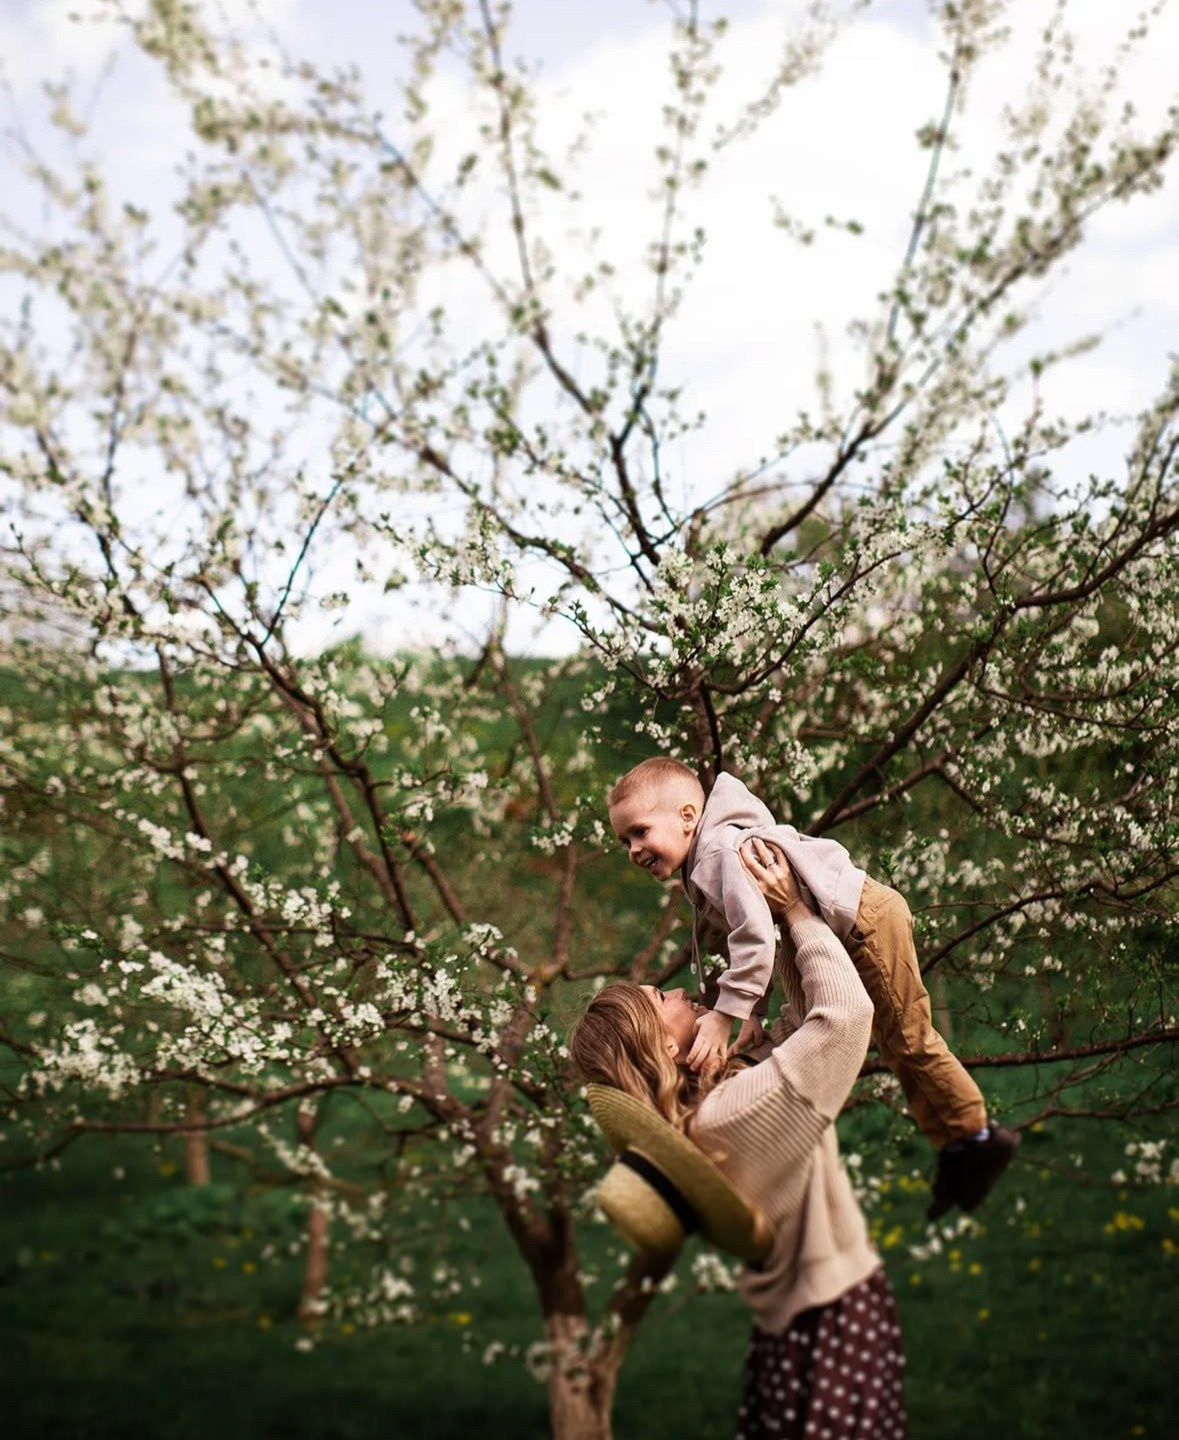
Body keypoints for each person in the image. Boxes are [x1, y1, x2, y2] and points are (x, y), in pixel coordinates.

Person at [570, 840, 907, 1440]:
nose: (675, 991)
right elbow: (845, 1018)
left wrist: (766, 946)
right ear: (663, 1049)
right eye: (660, 1000)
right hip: (830, 1320)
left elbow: (801, 1031)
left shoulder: (713, 1103)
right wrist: (798, 914)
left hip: (800, 1325)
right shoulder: (731, 1114)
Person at [606, 755, 1019, 1219]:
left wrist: (725, 1015)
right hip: (850, 928)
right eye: (624, 840)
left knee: (909, 1039)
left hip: (865, 922)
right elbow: (750, 933)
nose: (633, 849)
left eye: (640, 831)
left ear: (687, 817)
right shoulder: (704, 863)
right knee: (895, 1043)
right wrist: (753, 1015)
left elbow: (755, 939)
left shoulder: (720, 854)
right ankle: (955, 1145)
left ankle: (979, 1137)